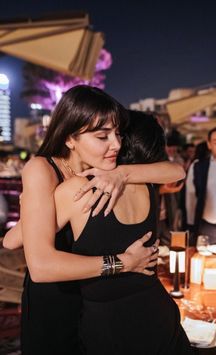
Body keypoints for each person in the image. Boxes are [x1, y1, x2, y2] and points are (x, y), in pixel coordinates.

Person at [3, 86, 185, 355]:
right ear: (69, 139)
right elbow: (29, 255)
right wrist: (124, 262)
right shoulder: (42, 169)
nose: (117, 144)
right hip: (56, 294)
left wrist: (122, 173)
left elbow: (176, 171)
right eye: (103, 136)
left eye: (118, 134)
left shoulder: (101, 168)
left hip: (91, 295)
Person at [53, 109, 192, 354]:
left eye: (115, 134)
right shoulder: (148, 184)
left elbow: (19, 242)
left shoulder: (76, 190)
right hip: (158, 313)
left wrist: (33, 200)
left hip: (109, 324)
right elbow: (177, 170)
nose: (112, 142)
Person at [186, 126, 216, 246]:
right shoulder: (199, 166)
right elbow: (191, 196)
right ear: (209, 144)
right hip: (206, 229)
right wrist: (191, 224)